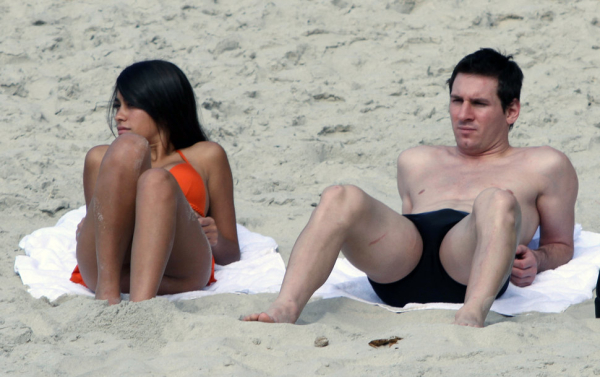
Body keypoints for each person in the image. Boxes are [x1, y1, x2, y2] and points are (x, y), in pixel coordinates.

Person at [243, 48, 578, 327]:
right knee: (339, 195)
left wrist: (537, 258)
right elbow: (402, 227)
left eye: (479, 104)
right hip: (401, 268)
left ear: (511, 110)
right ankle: (286, 307)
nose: (463, 114)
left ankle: (472, 314)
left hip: (471, 262)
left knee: (497, 199)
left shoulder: (546, 165)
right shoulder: (416, 160)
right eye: (456, 100)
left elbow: (561, 244)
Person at [74, 60, 240, 304]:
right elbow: (103, 232)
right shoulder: (101, 159)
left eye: (131, 105)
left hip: (178, 266)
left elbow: (231, 253)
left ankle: (142, 308)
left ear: (162, 105)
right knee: (126, 148)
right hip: (108, 271)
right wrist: (89, 225)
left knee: (156, 180)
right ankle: (107, 299)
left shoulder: (207, 156)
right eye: (118, 105)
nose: (119, 115)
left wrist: (215, 239)